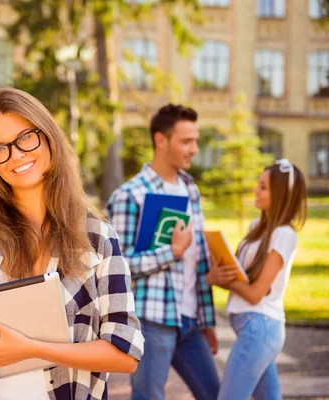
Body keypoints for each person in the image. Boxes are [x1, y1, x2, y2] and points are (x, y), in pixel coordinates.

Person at [0, 88, 144, 400]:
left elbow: (125, 353)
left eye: (26, 137)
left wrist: (33, 349)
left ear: (48, 135)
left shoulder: (96, 235)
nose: (16, 155)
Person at [107, 104, 220, 400]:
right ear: (161, 140)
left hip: (190, 320)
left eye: (195, 140)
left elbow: (195, 263)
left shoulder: (190, 188)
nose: (194, 149)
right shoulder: (130, 195)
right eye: (186, 141)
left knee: (216, 393)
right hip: (153, 319)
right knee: (148, 397)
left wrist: (207, 321)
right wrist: (172, 252)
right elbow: (118, 268)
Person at [207, 159, 307, 400]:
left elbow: (255, 293)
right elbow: (244, 274)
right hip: (253, 328)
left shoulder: (284, 235)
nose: (255, 190)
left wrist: (222, 280)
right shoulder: (257, 227)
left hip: (260, 328)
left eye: (263, 187)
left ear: (281, 195)